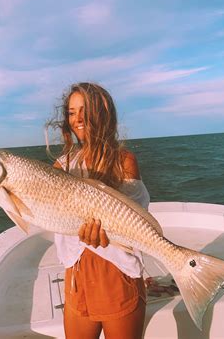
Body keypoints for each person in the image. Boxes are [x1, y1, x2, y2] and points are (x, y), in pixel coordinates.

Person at [48, 82, 150, 339]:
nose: (77, 119)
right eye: (71, 112)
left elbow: (132, 220)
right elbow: (39, 208)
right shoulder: (61, 166)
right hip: (76, 279)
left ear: (102, 114)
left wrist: (103, 231)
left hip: (116, 278)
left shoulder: (123, 160)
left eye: (84, 110)